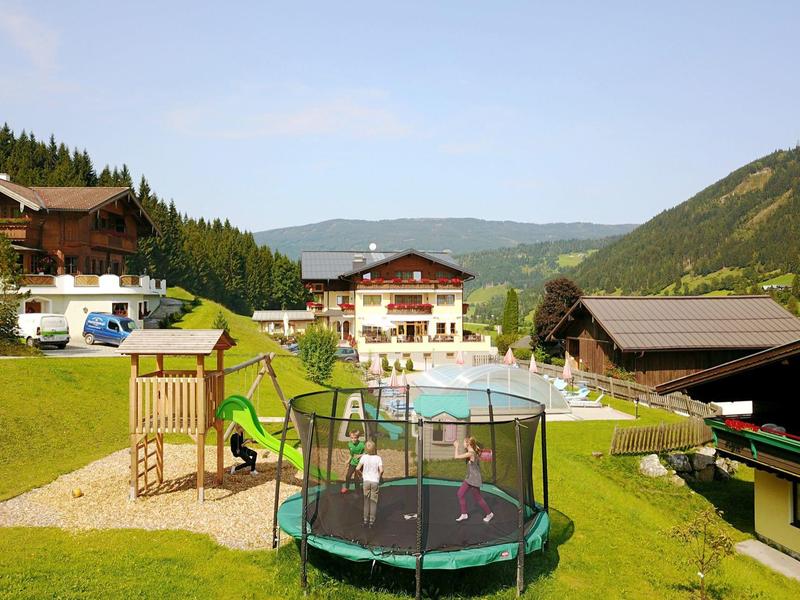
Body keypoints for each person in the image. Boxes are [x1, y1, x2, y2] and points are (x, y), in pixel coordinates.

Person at [453, 437, 493, 523]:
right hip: (470, 478)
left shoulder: (471, 453)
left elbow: (456, 457)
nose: (463, 444)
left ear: (467, 444)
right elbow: (477, 448)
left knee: (478, 498)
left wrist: (456, 446)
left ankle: (489, 514)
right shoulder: (474, 450)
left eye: (464, 442)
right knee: (460, 494)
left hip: (474, 479)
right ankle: (464, 514)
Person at [356, 440, 383, 527]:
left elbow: (357, 468)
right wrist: (379, 476)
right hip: (374, 481)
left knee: (366, 501)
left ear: (365, 449)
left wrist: (361, 475)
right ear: (374, 448)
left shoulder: (364, 457)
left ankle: (365, 520)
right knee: (373, 502)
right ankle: (371, 521)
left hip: (366, 481)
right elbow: (381, 470)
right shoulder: (378, 458)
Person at [341, 429, 365, 494]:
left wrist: (360, 455)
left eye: (355, 438)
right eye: (352, 438)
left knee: (356, 479)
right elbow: (351, 454)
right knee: (348, 476)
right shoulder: (349, 444)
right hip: (353, 463)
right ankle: (346, 487)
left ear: (358, 437)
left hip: (360, 464)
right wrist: (348, 460)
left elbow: (367, 453)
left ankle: (357, 491)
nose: (353, 439)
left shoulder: (362, 445)